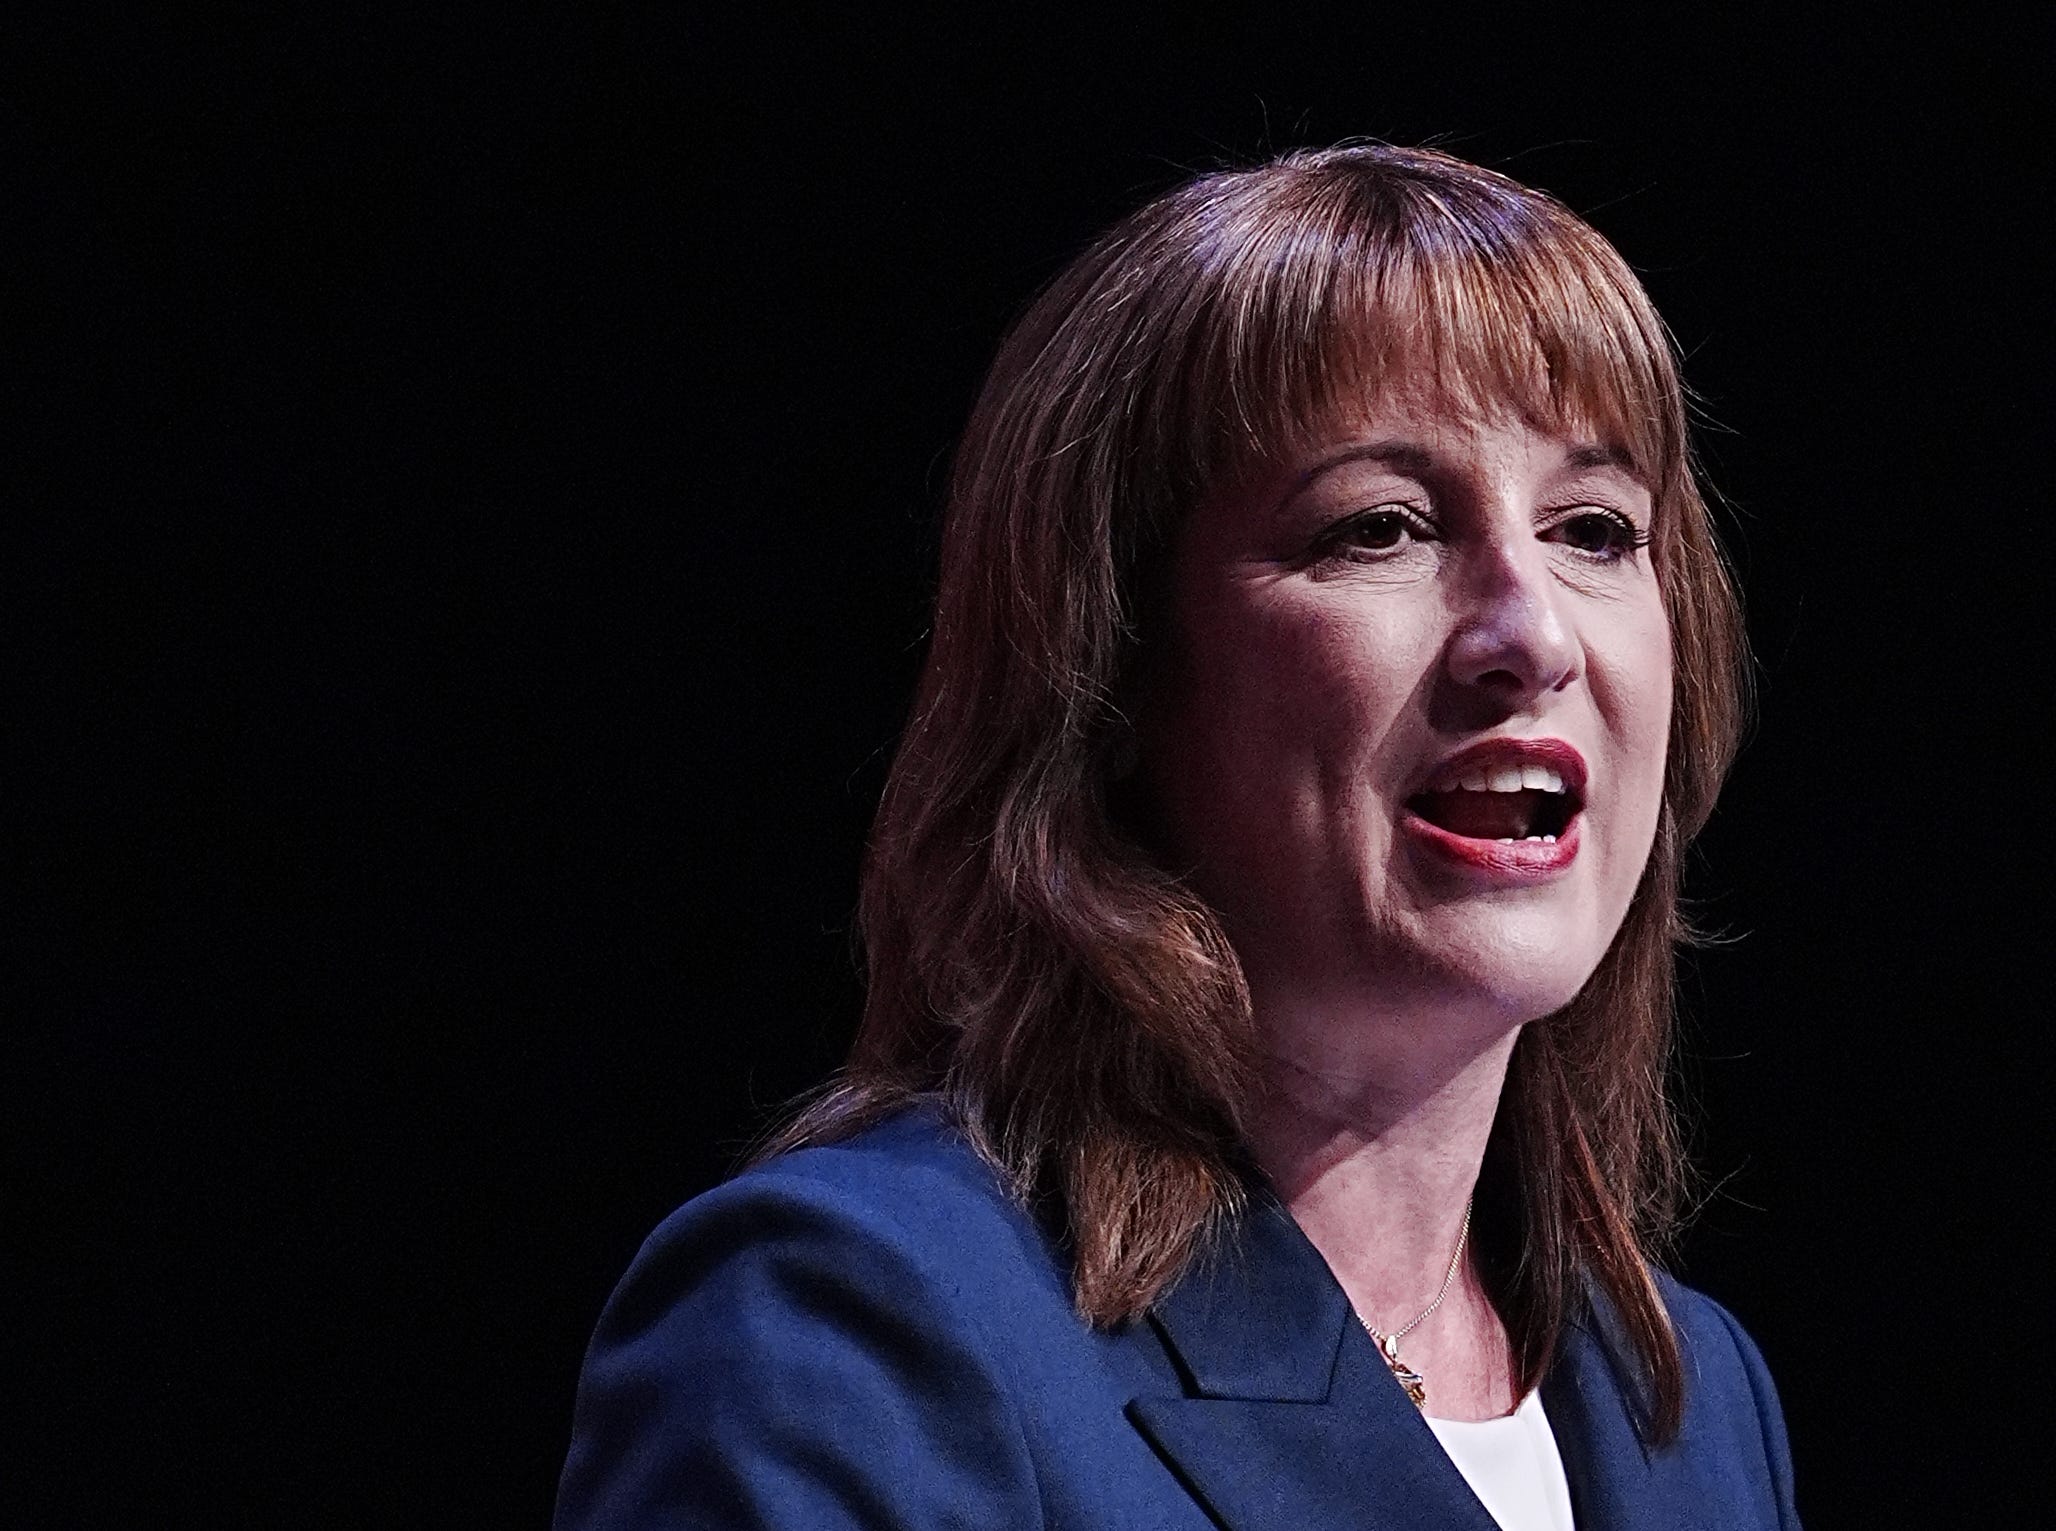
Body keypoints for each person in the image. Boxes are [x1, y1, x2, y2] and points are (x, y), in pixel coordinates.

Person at [555, 144, 1798, 1530]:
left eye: (1595, 528)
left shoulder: (1687, 1406)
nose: (1532, 634)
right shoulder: (856, 1331)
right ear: (1112, 679)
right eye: (1380, 527)